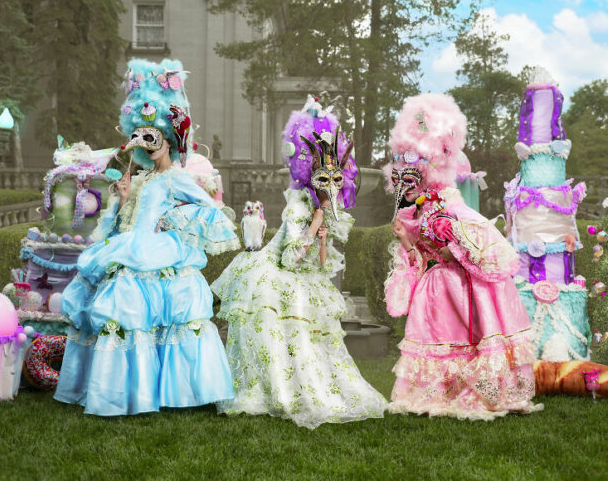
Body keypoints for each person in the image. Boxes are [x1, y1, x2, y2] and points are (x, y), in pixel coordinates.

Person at [54, 59, 239, 416]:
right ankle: (122, 392)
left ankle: (174, 391)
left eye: (153, 138)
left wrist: (171, 221)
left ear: (168, 141)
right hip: (131, 245)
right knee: (122, 314)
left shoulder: (178, 178)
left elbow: (212, 209)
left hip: (156, 252)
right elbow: (130, 220)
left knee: (147, 314)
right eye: (141, 137)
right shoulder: (142, 179)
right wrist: (124, 197)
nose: (147, 145)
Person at [211, 97, 387, 429]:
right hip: (277, 274)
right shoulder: (298, 208)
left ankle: (312, 384)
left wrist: (322, 234)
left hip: (306, 274)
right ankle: (281, 389)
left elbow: (321, 264)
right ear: (311, 177)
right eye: (324, 180)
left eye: (337, 181)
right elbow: (291, 258)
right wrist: (317, 221)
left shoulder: (326, 212)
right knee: (284, 316)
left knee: (320, 331)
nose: (331, 189)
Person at [383, 93, 542, 420]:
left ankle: (477, 391)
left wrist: (453, 249)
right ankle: (436, 393)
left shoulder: (451, 204)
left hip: (462, 288)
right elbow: (419, 259)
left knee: (467, 338)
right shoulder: (419, 212)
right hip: (435, 292)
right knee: (434, 339)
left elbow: (484, 240)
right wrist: (407, 239)